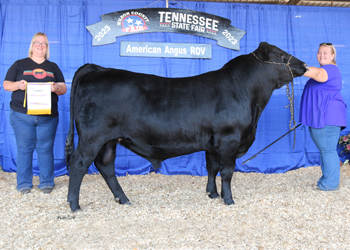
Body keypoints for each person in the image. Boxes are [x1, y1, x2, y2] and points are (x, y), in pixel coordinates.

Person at [3, 32, 67, 194]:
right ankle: (24, 183)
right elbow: (6, 85)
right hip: (22, 116)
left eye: (44, 43)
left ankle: (46, 182)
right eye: (37, 42)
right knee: (24, 148)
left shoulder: (53, 67)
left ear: (47, 47)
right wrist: (18, 84)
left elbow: (63, 89)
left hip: (48, 116)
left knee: (45, 148)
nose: (40, 45)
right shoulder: (19, 64)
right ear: (32, 45)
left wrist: (56, 88)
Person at [299, 43, 346, 191]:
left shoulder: (329, 69)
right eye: (320, 52)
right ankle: (326, 179)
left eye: (326, 52)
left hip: (328, 117)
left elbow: (317, 74)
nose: (322, 55)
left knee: (328, 150)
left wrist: (296, 67)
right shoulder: (325, 69)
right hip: (322, 117)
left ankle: (331, 184)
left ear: (333, 56)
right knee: (325, 150)